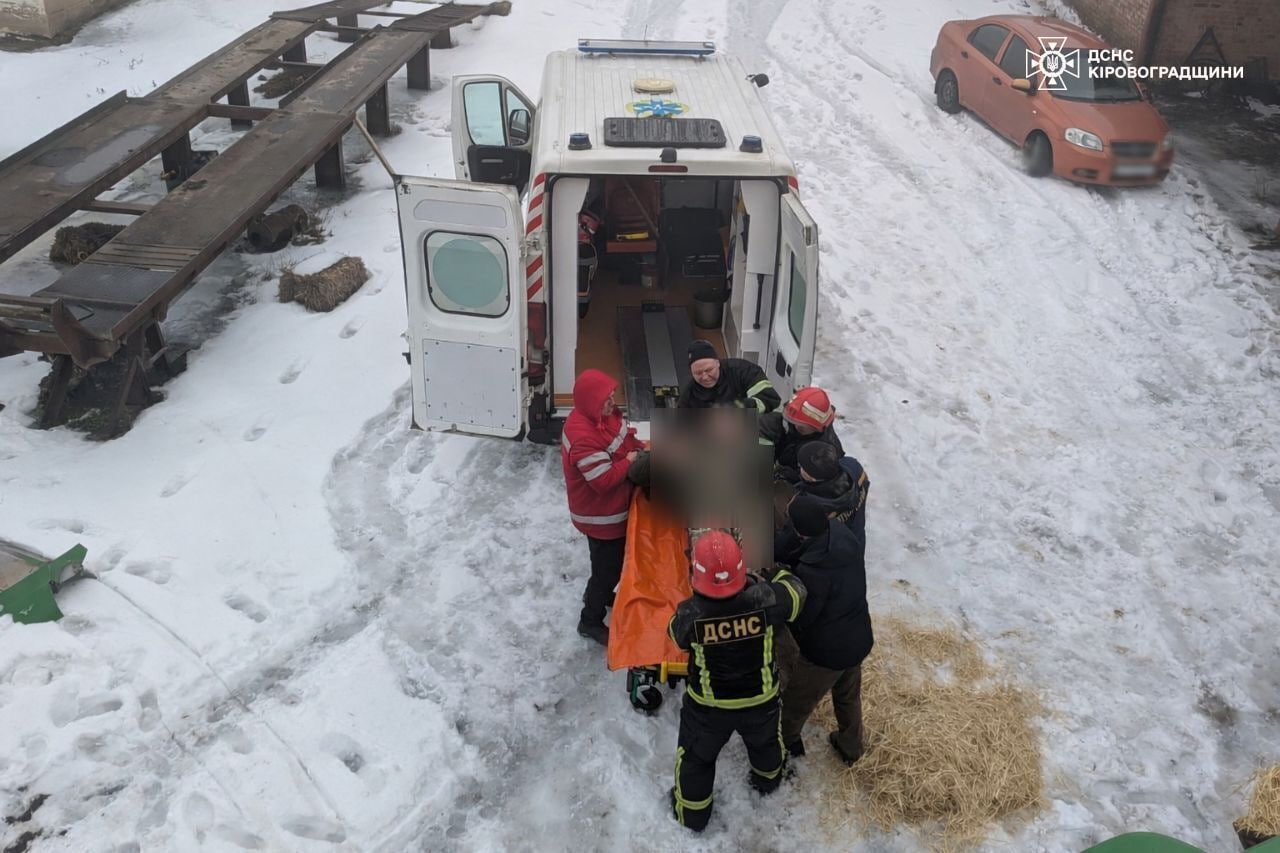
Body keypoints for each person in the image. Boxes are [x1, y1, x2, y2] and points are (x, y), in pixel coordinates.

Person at [667, 531, 807, 833]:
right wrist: (775, 573)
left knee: (696, 759)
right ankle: (767, 784)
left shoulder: (690, 614)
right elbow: (797, 594)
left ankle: (692, 815)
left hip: (708, 707)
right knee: (766, 744)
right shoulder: (768, 600)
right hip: (761, 700)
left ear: (695, 573)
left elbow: (675, 637)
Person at [777, 496, 873, 766]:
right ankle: (850, 745)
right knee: (847, 695)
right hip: (858, 636)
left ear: (800, 530)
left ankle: (781, 750)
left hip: (826, 653)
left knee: (795, 704)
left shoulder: (813, 572)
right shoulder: (840, 535)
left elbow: (803, 616)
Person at [561, 369, 645, 646]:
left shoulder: (601, 416)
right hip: (601, 516)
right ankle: (590, 620)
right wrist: (631, 461)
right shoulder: (583, 437)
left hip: (604, 511)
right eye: (606, 400)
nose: (612, 402)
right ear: (591, 402)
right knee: (607, 568)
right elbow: (603, 480)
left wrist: (638, 448)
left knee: (605, 564)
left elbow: (623, 438)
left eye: (611, 396)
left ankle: (598, 592)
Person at [775, 442, 869, 559]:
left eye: (802, 467)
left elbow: (783, 546)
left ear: (813, 478)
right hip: (854, 541)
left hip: (823, 558)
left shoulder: (810, 509)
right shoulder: (855, 468)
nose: (800, 467)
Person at [759, 386, 844, 485]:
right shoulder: (781, 423)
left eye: (802, 426)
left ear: (817, 428)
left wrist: (793, 477)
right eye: (793, 421)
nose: (796, 426)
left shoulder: (826, 453)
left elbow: (820, 489)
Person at [676, 340, 781, 413]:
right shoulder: (688, 397)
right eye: (698, 373)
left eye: (709, 370)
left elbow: (771, 399)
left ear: (718, 363)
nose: (704, 377)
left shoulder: (742, 370)